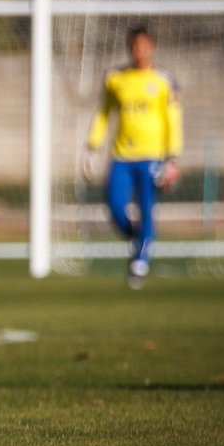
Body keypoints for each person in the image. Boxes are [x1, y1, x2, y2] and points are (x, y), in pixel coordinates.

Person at [83, 24, 183, 289]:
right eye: (134, 46)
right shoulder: (116, 78)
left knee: (147, 207)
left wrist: (173, 158)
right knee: (115, 207)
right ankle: (138, 237)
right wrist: (92, 148)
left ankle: (140, 261)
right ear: (130, 48)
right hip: (122, 156)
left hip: (153, 157)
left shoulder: (164, 80)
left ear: (152, 47)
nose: (139, 51)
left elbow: (173, 119)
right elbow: (103, 114)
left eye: (144, 46)